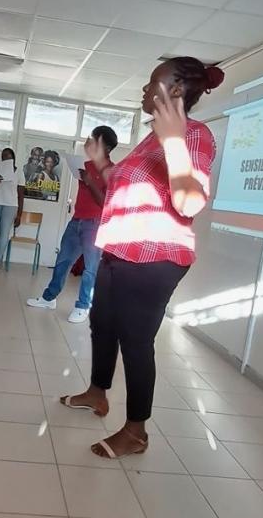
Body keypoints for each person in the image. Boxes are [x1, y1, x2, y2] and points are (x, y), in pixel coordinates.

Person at [60, 57, 224, 457]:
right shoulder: (151, 139)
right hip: (120, 248)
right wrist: (101, 164)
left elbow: (189, 202)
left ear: (176, 91)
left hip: (156, 257)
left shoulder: (195, 135)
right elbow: (124, 187)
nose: (145, 90)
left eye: (153, 83)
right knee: (102, 324)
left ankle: (136, 431)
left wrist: (173, 141)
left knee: (135, 341)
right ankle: (97, 393)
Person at [27, 126, 118, 323]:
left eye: (95, 141)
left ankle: (83, 306)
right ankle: (49, 298)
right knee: (62, 262)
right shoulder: (86, 166)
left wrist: (90, 182)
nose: (90, 144)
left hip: (95, 225)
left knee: (90, 268)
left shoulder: (112, 171)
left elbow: (105, 203)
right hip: (76, 221)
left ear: (107, 148)